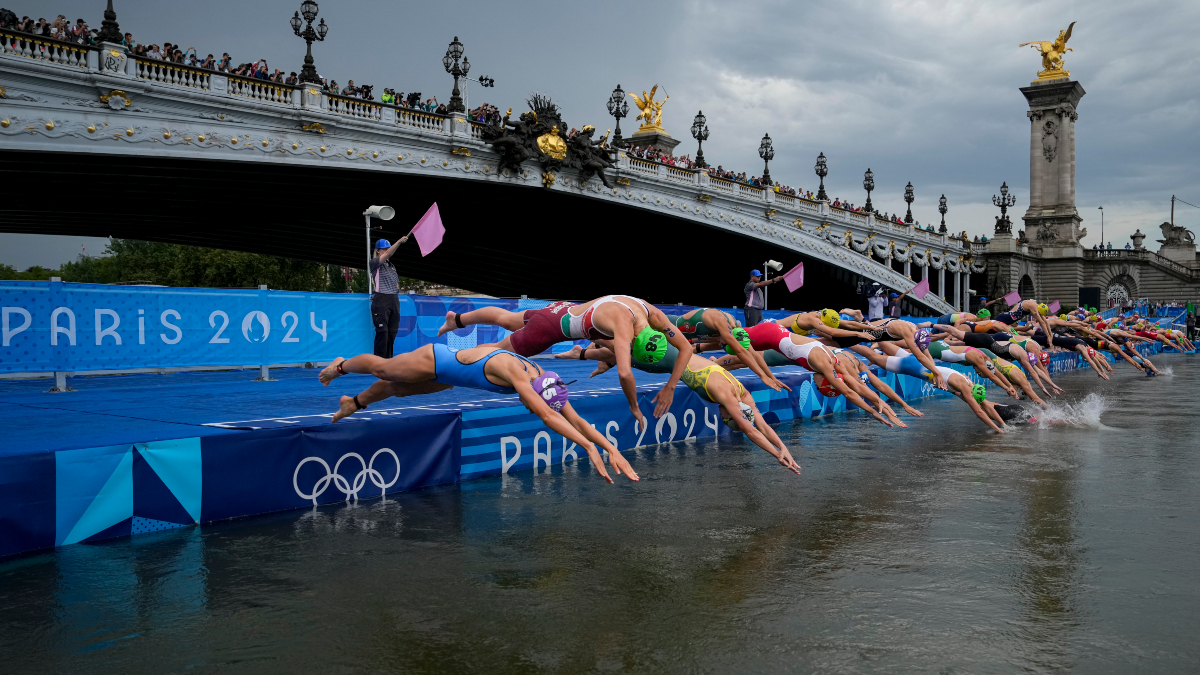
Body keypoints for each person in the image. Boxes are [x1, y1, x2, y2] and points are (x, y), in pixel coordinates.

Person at [318, 344, 638, 485]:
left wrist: (609, 448)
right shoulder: (520, 375)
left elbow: (576, 419)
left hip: (449, 379)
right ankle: (341, 365)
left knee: (397, 389)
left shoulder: (544, 377)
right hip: (437, 359)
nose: (529, 405)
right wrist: (587, 447)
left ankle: (354, 403)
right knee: (386, 370)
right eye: (532, 402)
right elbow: (548, 417)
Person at [435, 295, 695, 431]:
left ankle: (456, 319)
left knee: (508, 318)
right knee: (497, 353)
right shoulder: (625, 330)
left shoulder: (652, 314)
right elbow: (626, 374)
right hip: (550, 331)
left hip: (558, 309)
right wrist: (634, 407)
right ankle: (454, 363)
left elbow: (685, 347)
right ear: (634, 341)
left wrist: (671, 386)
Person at [369, 235, 409, 358]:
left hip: (393, 298)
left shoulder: (392, 266)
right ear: (377, 251)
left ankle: (388, 360)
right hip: (382, 299)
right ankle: (378, 362)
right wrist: (399, 242)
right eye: (384, 249)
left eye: (388, 248)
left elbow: (395, 283)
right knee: (382, 332)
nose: (387, 250)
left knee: (392, 331)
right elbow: (388, 255)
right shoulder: (374, 262)